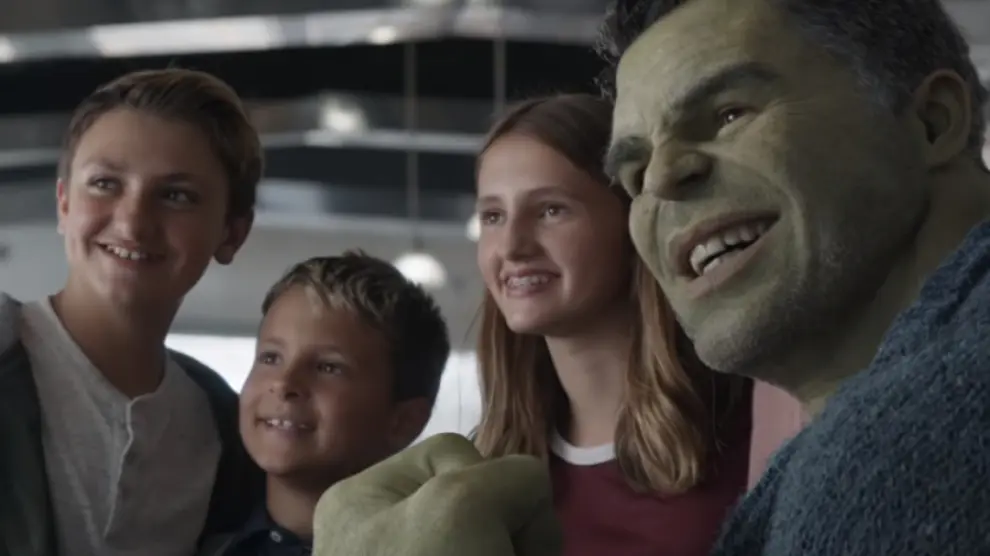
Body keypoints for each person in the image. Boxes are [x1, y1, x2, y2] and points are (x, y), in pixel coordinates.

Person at [307, 0, 990, 554]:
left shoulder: (904, 434)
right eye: (634, 172)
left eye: (728, 113)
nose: (661, 179)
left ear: (933, 121)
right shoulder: (829, 448)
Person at [0, 68, 265, 556]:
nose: (133, 221)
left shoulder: (229, 434)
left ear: (232, 233)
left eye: (176, 195)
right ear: (64, 204)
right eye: (105, 183)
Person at [474, 93, 751, 556]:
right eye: (493, 216)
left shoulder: (750, 425)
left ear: (633, 221)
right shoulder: (485, 477)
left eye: (550, 210)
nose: (512, 246)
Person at [199, 251, 450, 555]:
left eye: (328, 367)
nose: (284, 383)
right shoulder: (197, 540)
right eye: (271, 357)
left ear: (404, 421)